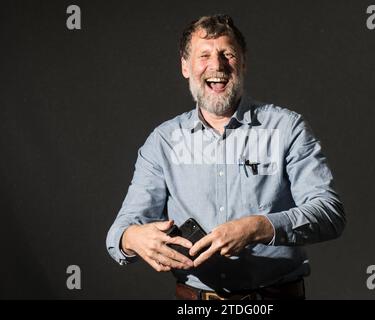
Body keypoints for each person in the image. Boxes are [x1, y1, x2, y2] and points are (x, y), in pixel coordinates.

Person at [106, 14, 345, 300]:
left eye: (227, 54)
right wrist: (131, 238)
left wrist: (260, 226)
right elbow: (119, 232)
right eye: (203, 55)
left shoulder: (286, 128)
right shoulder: (162, 142)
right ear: (185, 66)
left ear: (243, 62)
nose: (216, 65)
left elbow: (329, 212)